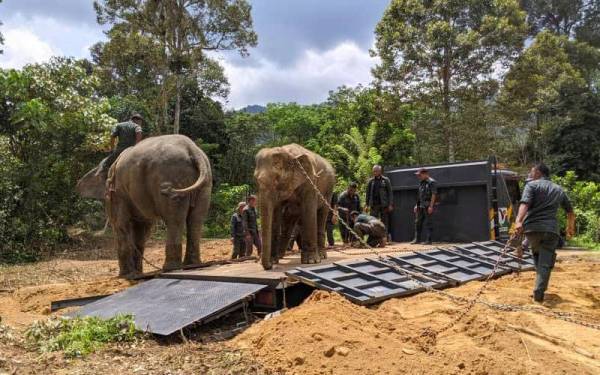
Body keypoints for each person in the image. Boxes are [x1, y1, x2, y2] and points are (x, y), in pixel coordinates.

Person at [514, 163, 575, 304]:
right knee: (545, 262)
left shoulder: (532, 186)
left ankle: (539, 285)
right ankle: (539, 291)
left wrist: (518, 221)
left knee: (538, 257)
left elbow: (525, 204)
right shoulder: (558, 189)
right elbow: (570, 211)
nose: (530, 174)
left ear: (538, 173)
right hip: (551, 230)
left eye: (531, 171)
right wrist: (570, 228)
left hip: (532, 230)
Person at [97, 113, 143, 178]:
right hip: (131, 151)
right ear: (138, 120)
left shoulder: (119, 125)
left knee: (106, 163)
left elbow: (112, 136)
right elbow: (139, 133)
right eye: (141, 122)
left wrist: (112, 149)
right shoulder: (136, 126)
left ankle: (103, 175)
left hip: (120, 150)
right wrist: (136, 147)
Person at [411, 167, 437, 245]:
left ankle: (429, 240)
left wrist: (431, 206)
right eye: (418, 175)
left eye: (420, 175)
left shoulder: (431, 182)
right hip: (421, 206)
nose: (419, 176)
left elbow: (434, 194)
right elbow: (420, 195)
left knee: (429, 223)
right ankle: (417, 239)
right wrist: (416, 205)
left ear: (425, 174)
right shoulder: (421, 182)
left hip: (427, 205)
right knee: (418, 222)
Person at [365, 165, 393, 237]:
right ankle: (373, 237)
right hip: (374, 205)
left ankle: (385, 237)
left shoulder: (386, 180)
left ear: (380, 171)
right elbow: (367, 194)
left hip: (384, 204)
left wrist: (390, 204)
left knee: (384, 222)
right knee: (373, 221)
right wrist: (367, 205)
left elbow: (390, 193)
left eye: (376, 171)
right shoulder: (371, 181)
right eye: (373, 171)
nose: (374, 173)